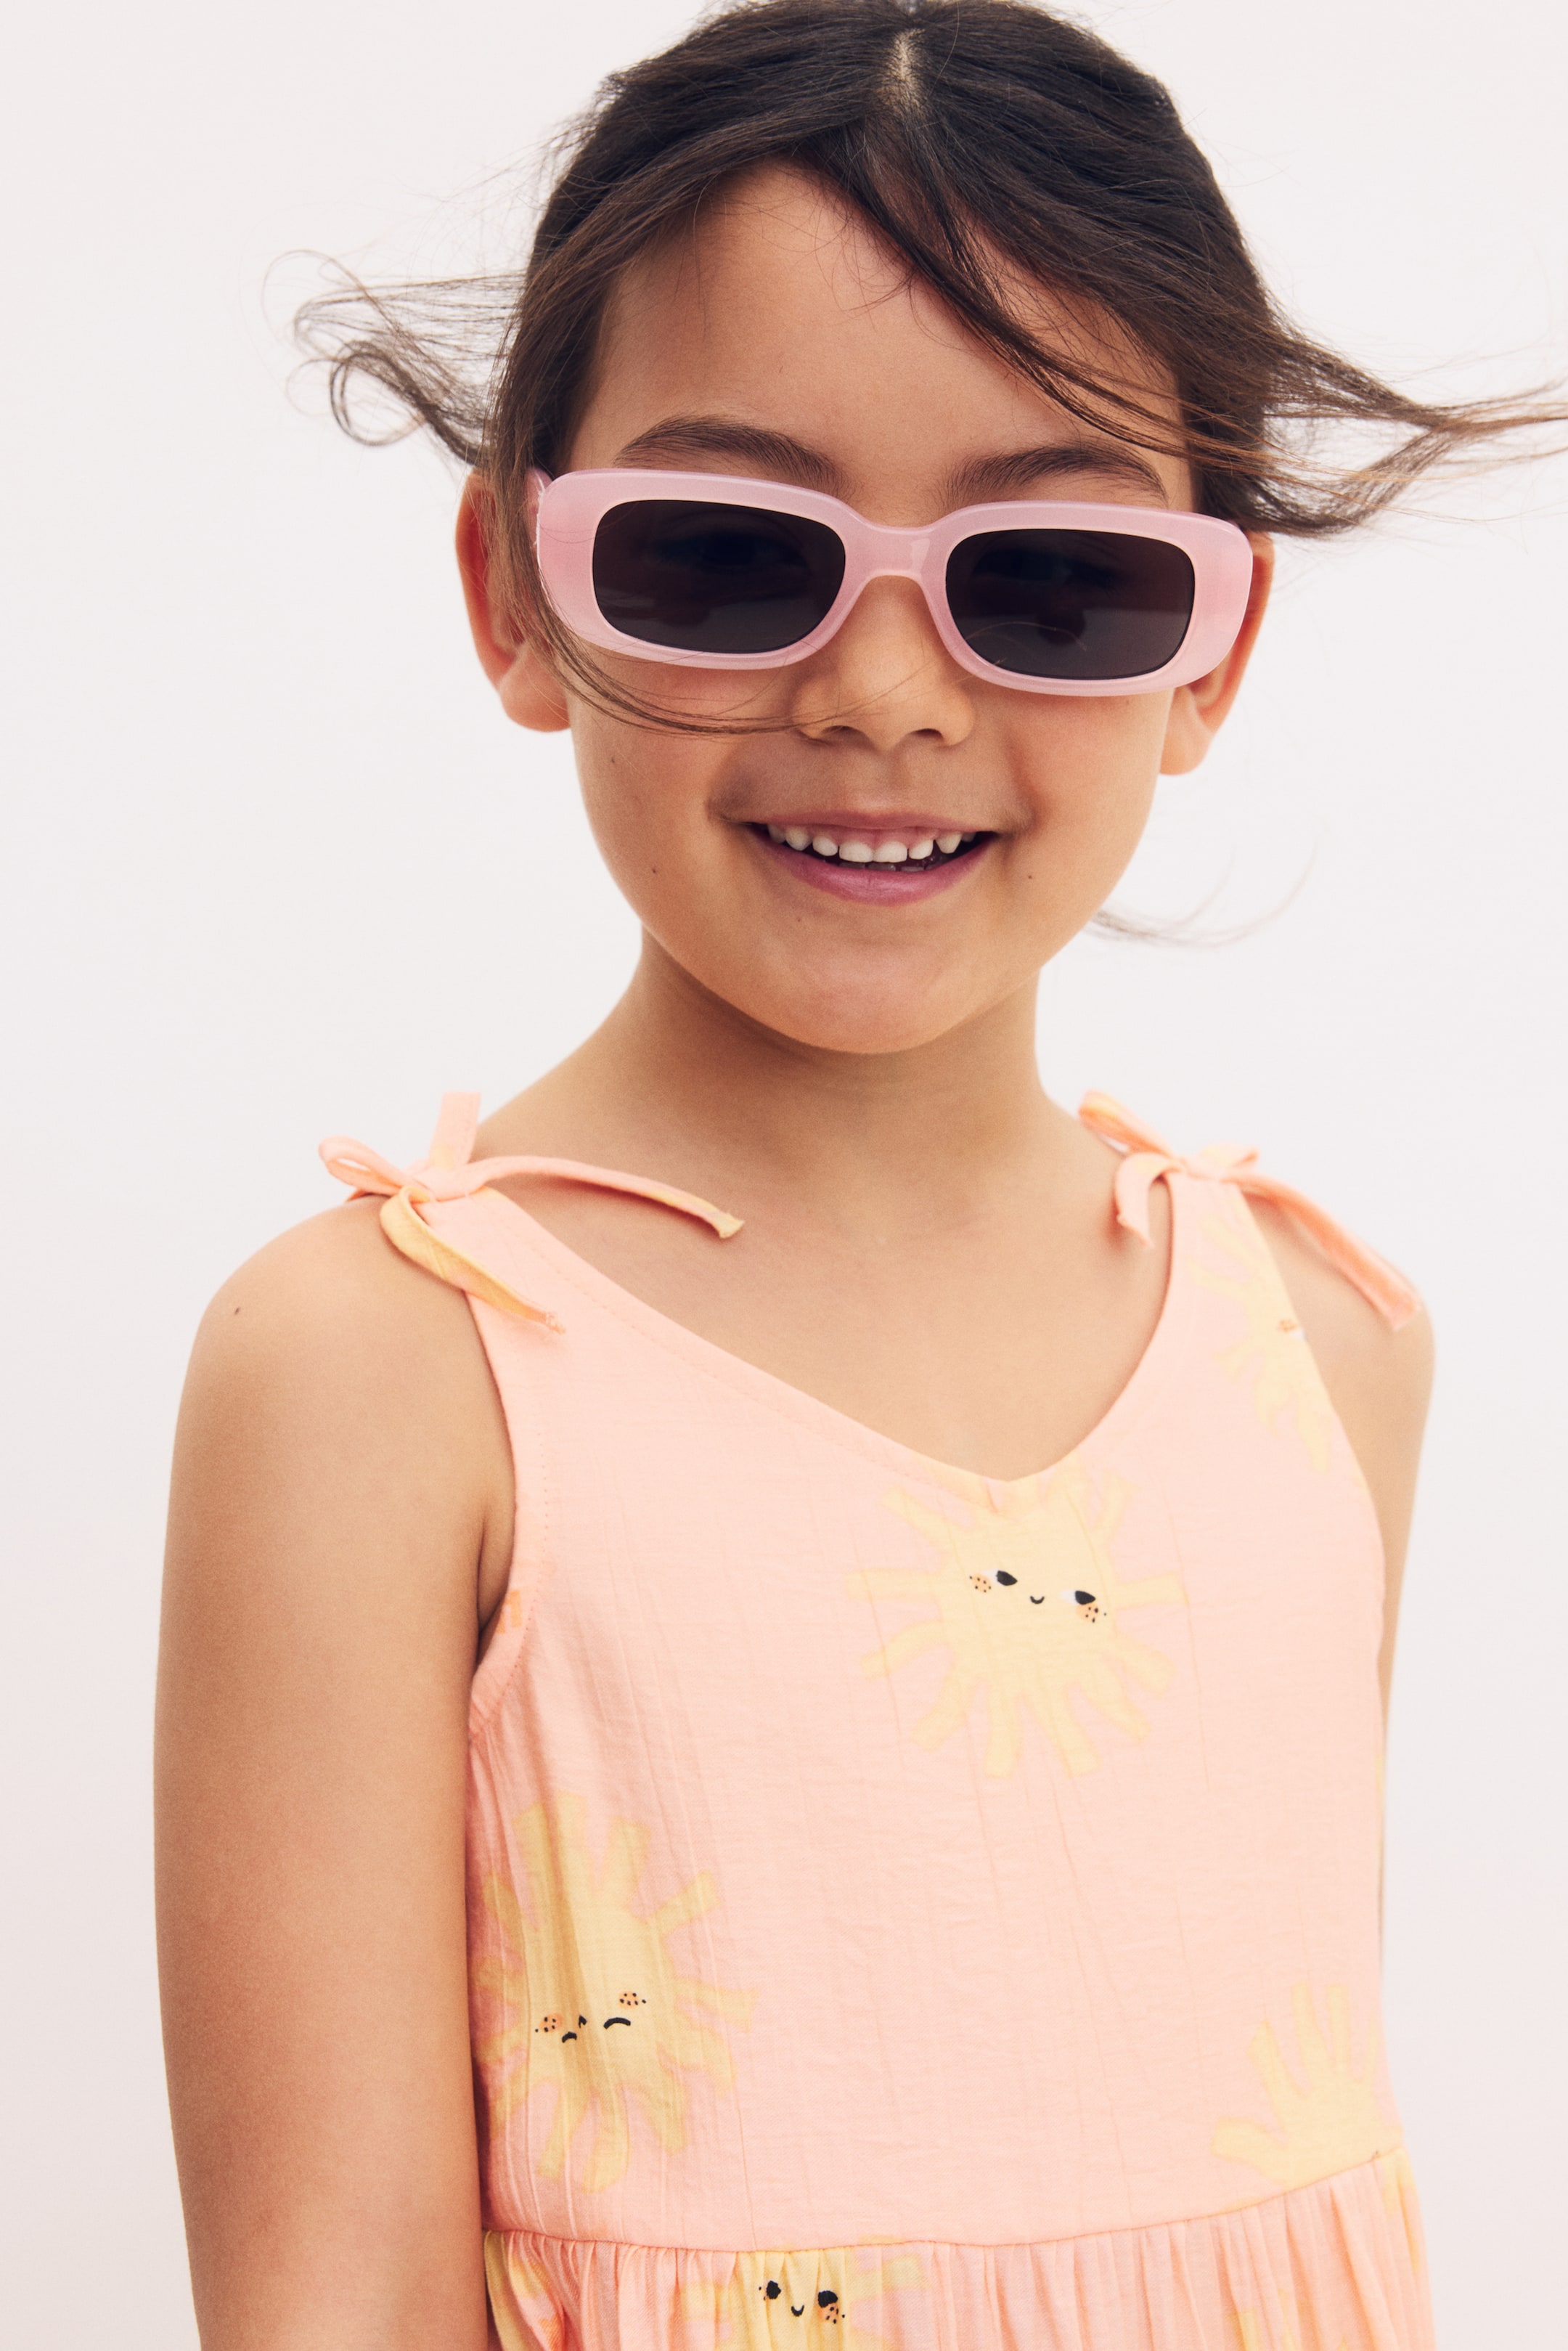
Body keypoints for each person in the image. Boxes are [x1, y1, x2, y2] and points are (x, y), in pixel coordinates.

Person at [155, 4, 1556, 2344]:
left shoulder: (1322, 1344)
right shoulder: (385, 1375)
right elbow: (334, 2302)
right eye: (727, 558)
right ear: (516, 592)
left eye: (1052, 583)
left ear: (1213, 651)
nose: (889, 693)